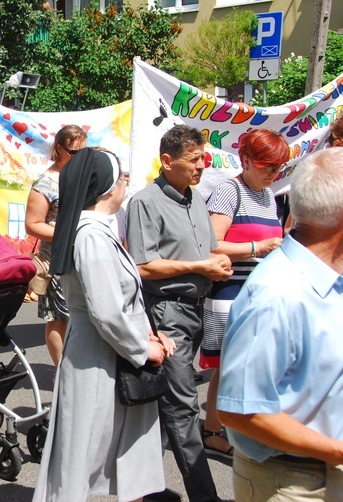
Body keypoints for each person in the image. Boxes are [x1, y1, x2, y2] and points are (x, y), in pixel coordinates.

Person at [34, 148, 172, 501]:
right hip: (97, 355)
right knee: (83, 452)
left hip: (108, 349)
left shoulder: (96, 230)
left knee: (100, 447)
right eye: (123, 177)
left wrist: (149, 336)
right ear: (109, 186)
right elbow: (107, 311)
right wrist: (144, 348)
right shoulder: (92, 235)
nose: (127, 183)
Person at [217, 147, 343, 500]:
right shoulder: (275, 296)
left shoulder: (326, 279)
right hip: (296, 482)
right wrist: (336, 451)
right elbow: (242, 410)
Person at [127, 124, 232, 502]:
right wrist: (201, 266)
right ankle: (206, 497)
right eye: (194, 160)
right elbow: (144, 266)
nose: (201, 166)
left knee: (163, 407)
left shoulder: (196, 199)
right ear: (167, 161)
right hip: (167, 313)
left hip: (195, 310)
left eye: (203, 158)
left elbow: (208, 249)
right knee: (184, 408)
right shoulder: (145, 202)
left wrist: (222, 258)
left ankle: (143, 489)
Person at [199, 129, 288, 459]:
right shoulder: (229, 189)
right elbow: (210, 244)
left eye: (278, 168)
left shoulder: (268, 195)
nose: (273, 173)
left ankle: (232, 428)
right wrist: (257, 247)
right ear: (246, 160)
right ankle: (213, 430)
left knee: (247, 365)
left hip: (258, 292)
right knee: (228, 366)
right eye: (268, 166)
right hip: (230, 292)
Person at [25, 124, 87, 367]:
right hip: (56, 261)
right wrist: (68, 235)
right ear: (59, 149)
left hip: (82, 259)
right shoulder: (46, 183)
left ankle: (75, 371)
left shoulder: (82, 177)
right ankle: (63, 372)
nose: (78, 159)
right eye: (74, 152)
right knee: (60, 319)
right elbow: (32, 225)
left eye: (83, 153)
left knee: (80, 318)